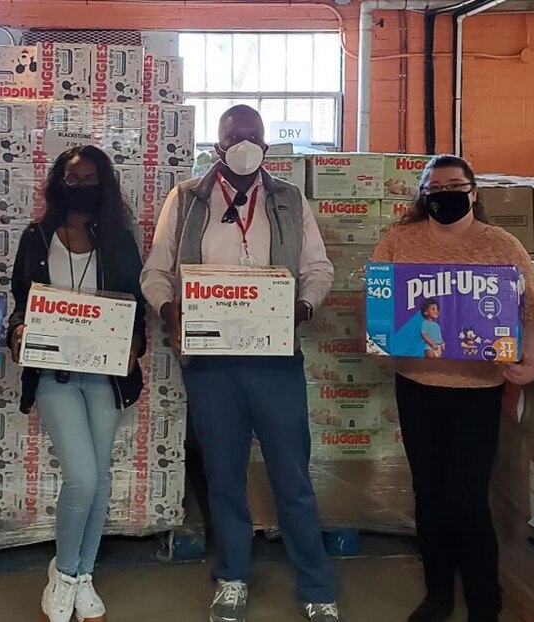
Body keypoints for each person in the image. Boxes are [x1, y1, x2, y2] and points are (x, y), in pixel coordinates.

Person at [141, 104, 341, 622]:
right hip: (212, 363)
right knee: (225, 475)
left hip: (274, 360)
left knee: (291, 475)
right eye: (235, 136)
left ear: (267, 146)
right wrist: (171, 312)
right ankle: (232, 575)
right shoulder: (186, 200)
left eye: (254, 136)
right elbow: (156, 271)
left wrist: (303, 307)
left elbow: (318, 267)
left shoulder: (289, 200)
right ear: (217, 144)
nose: (245, 144)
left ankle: (317, 585)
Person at [372, 155, 534, 622]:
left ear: (473, 192)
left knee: (468, 500)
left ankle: (484, 600)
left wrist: (532, 360)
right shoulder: (398, 242)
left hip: (478, 391)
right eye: (435, 186)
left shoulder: (502, 246)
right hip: (418, 387)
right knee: (429, 495)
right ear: (422, 193)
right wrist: (385, 334)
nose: (444, 194)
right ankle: (438, 594)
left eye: (455, 185)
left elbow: (531, 312)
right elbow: (379, 310)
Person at [7, 145, 147, 622]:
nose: (81, 185)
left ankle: (82, 575)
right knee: (82, 476)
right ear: (57, 183)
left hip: (106, 375)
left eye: (90, 178)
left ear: (104, 183)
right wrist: (19, 333)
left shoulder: (120, 241)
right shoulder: (36, 236)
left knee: (101, 477)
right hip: (55, 375)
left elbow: (136, 309)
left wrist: (134, 345)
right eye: (72, 178)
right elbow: (20, 304)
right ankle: (63, 571)